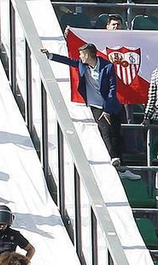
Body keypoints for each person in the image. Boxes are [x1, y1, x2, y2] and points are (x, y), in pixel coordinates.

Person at [43, 42, 136, 179]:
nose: (79, 56)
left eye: (81, 54)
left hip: (111, 106)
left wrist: (108, 110)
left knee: (116, 134)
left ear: (87, 55)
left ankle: (122, 168)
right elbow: (69, 61)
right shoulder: (83, 65)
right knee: (105, 130)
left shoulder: (107, 66)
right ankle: (114, 159)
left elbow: (112, 90)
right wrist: (50, 55)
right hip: (96, 106)